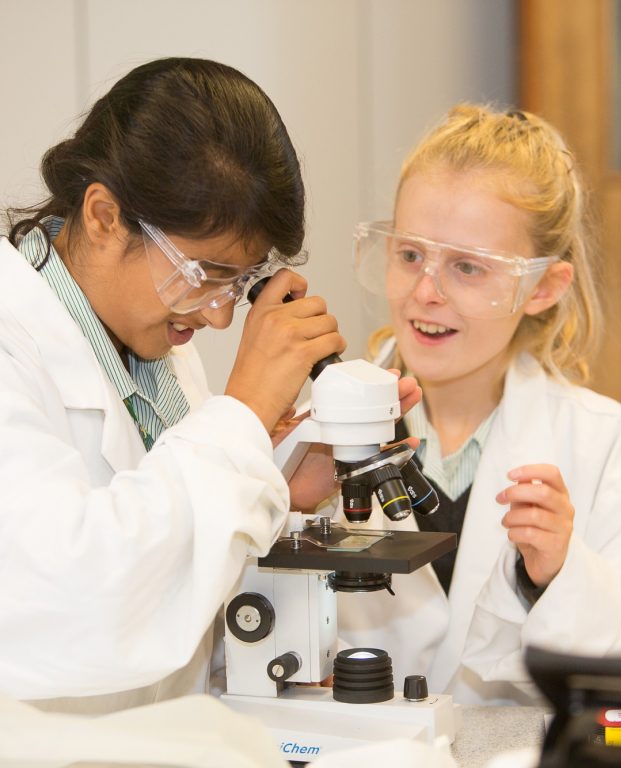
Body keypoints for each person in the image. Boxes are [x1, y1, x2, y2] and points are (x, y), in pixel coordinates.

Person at [0, 57, 419, 713]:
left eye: (238, 282)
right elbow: (68, 605)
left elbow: (175, 582)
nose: (221, 314)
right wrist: (243, 413)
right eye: (205, 274)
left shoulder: (154, 344)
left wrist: (271, 474)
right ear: (105, 215)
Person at [337, 104, 621, 705]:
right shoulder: (324, 432)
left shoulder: (608, 449)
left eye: (468, 267)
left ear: (542, 288)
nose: (426, 292)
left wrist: (560, 574)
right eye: (409, 255)